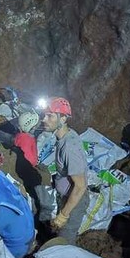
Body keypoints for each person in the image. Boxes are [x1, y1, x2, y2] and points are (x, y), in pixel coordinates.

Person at [41, 97, 88, 244]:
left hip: (75, 201)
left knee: (65, 240)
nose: (44, 119)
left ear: (63, 119)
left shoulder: (69, 147)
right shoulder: (65, 137)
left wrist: (63, 215)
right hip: (66, 196)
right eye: (44, 115)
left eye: (49, 116)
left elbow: (80, 186)